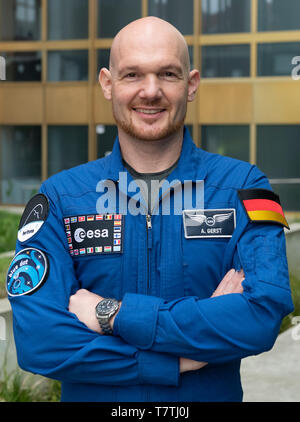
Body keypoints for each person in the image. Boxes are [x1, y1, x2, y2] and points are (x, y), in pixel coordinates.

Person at [7, 17, 293, 402]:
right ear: (108, 84)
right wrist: (172, 362)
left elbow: (262, 316)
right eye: (133, 75)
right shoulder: (59, 198)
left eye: (168, 74)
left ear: (190, 85)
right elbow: (39, 341)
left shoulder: (244, 189)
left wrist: (112, 314)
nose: (151, 91)